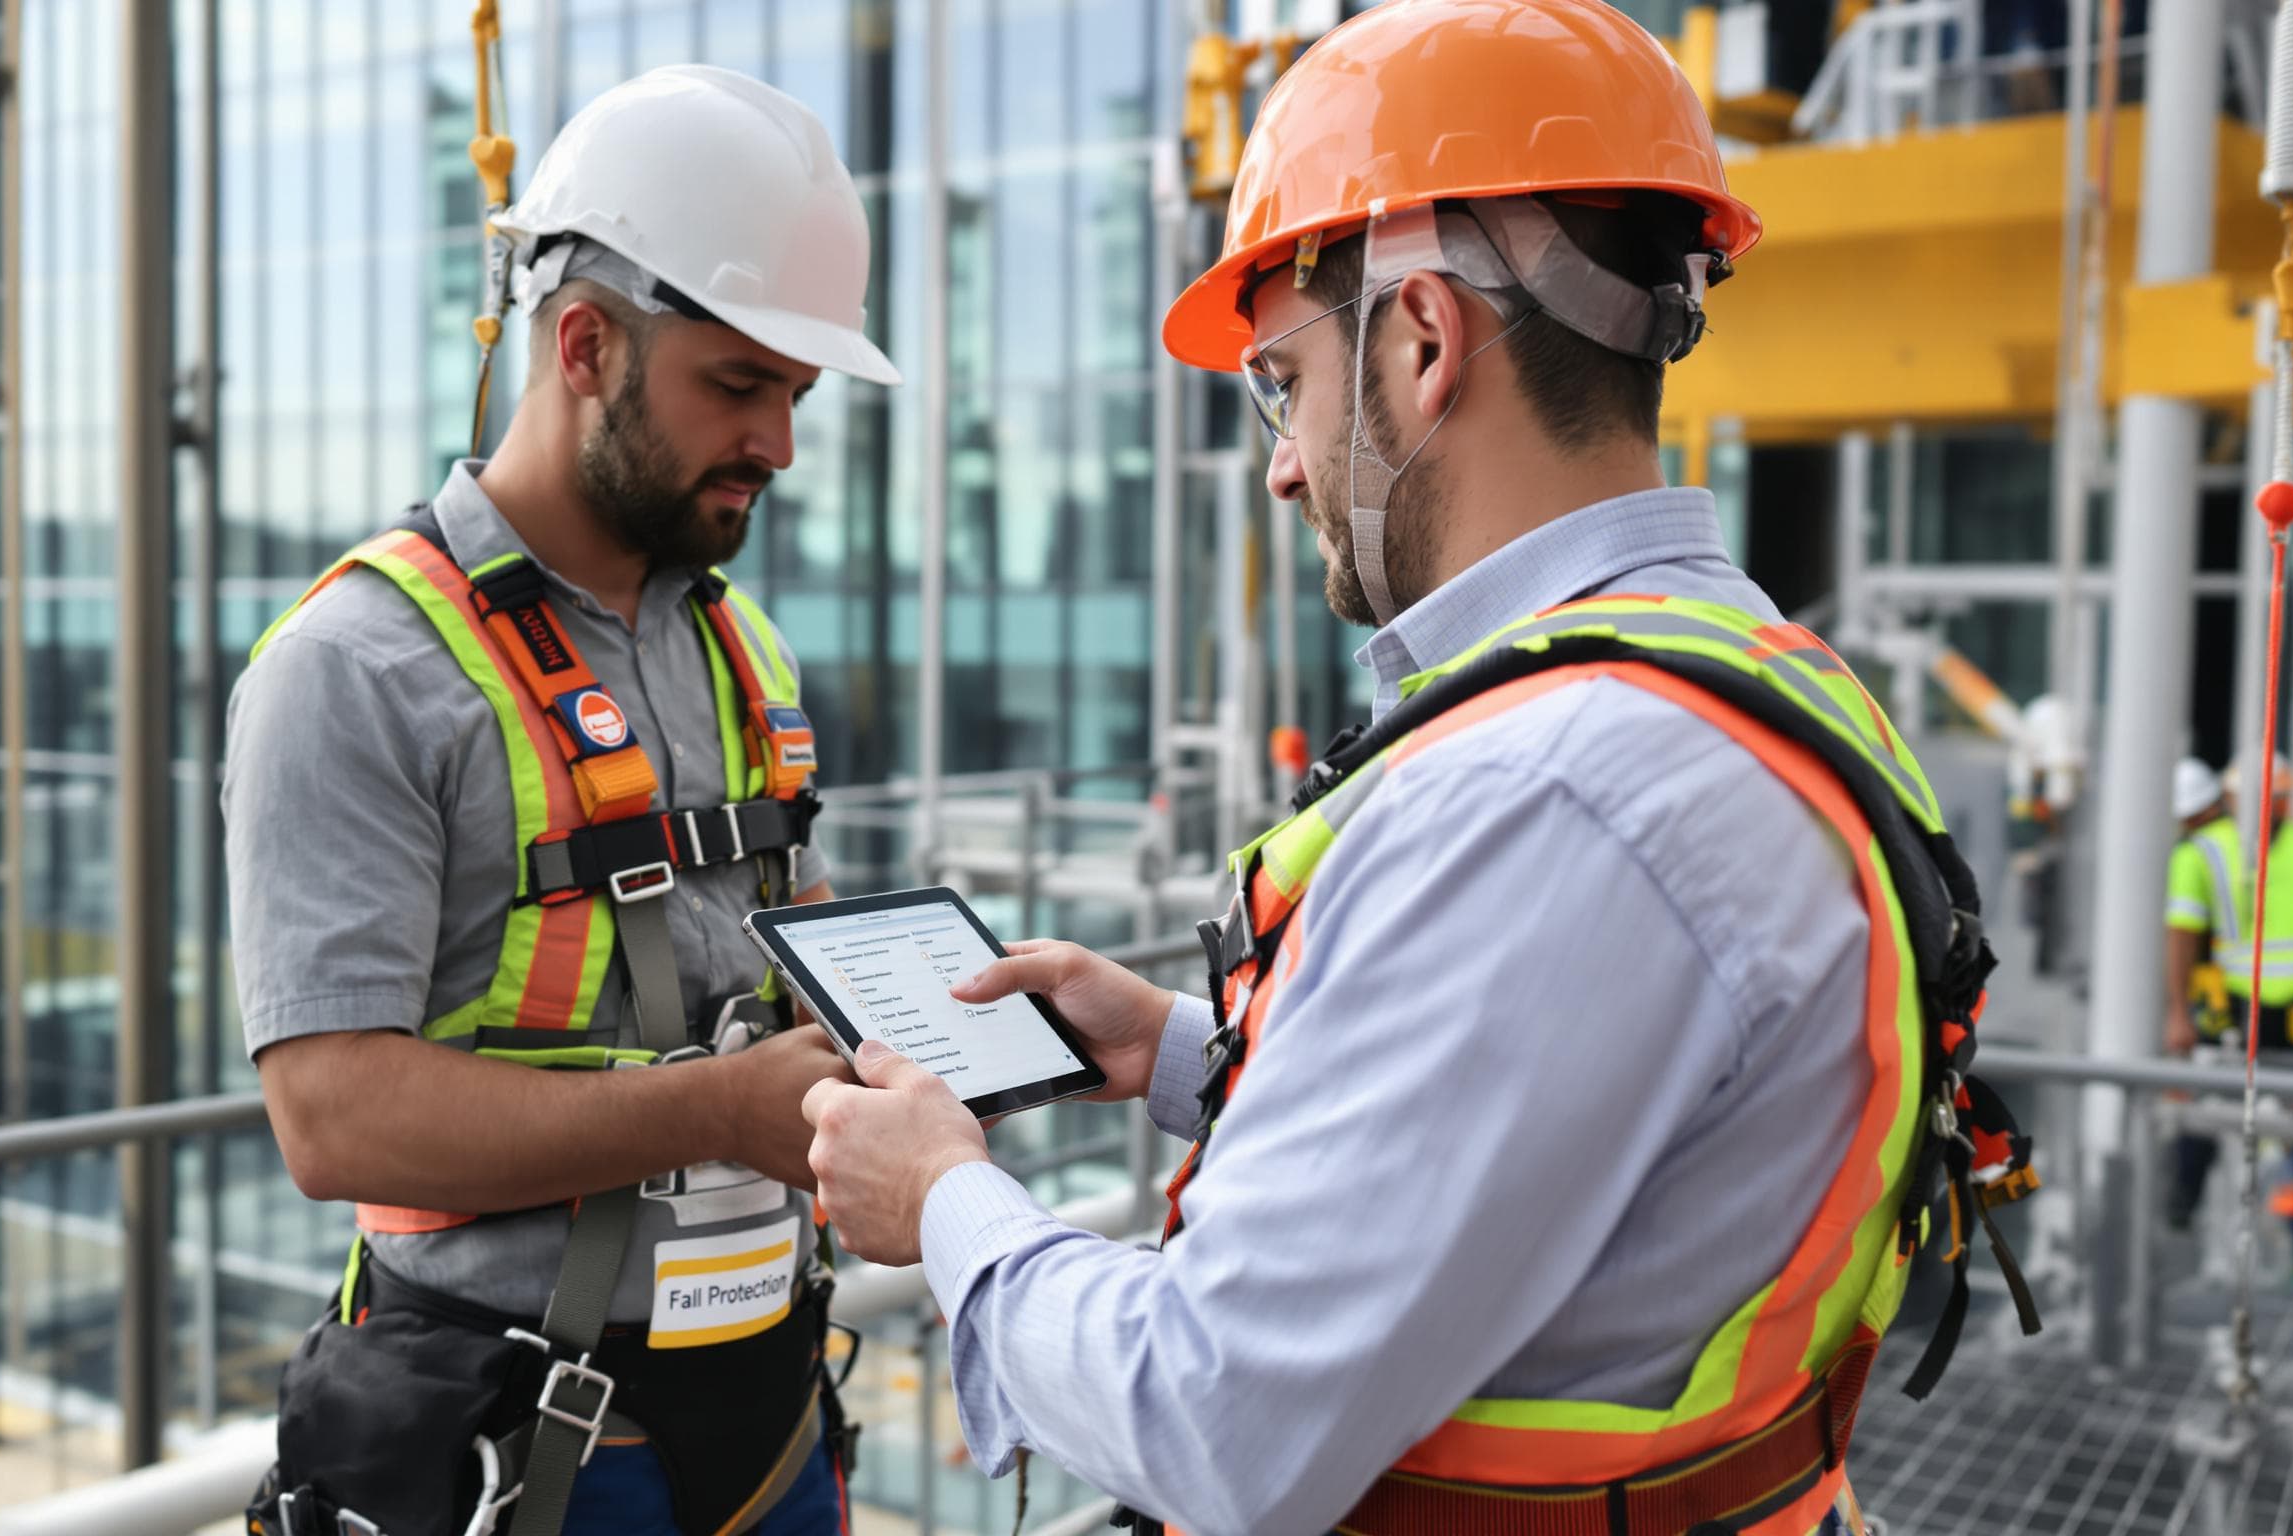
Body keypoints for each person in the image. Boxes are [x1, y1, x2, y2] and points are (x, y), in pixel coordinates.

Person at [799, 4, 2034, 1533]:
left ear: (1424, 340)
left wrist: (942, 1199)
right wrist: (1185, 1053)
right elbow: (1582, 1149)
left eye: (1282, 382)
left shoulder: (1548, 787)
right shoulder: (1747, 676)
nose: (1284, 462)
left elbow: (1212, 1418)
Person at [227, 64, 895, 1536]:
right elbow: (330, 1113)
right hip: (522, 1449)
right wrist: (724, 1104)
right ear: (584, 344)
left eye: (793, 393)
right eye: (737, 384)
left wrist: (899, 1035)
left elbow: (771, 947)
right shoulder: (358, 667)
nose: (778, 444)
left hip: (769, 1415)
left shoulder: (736, 645)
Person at [2169, 754, 2293, 1259]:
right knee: (2203, 1107)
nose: (2274, 806)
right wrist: (2178, 1013)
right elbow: (2181, 934)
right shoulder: (2203, 852)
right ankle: (2178, 1208)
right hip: (2232, 1005)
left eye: (2279, 797)